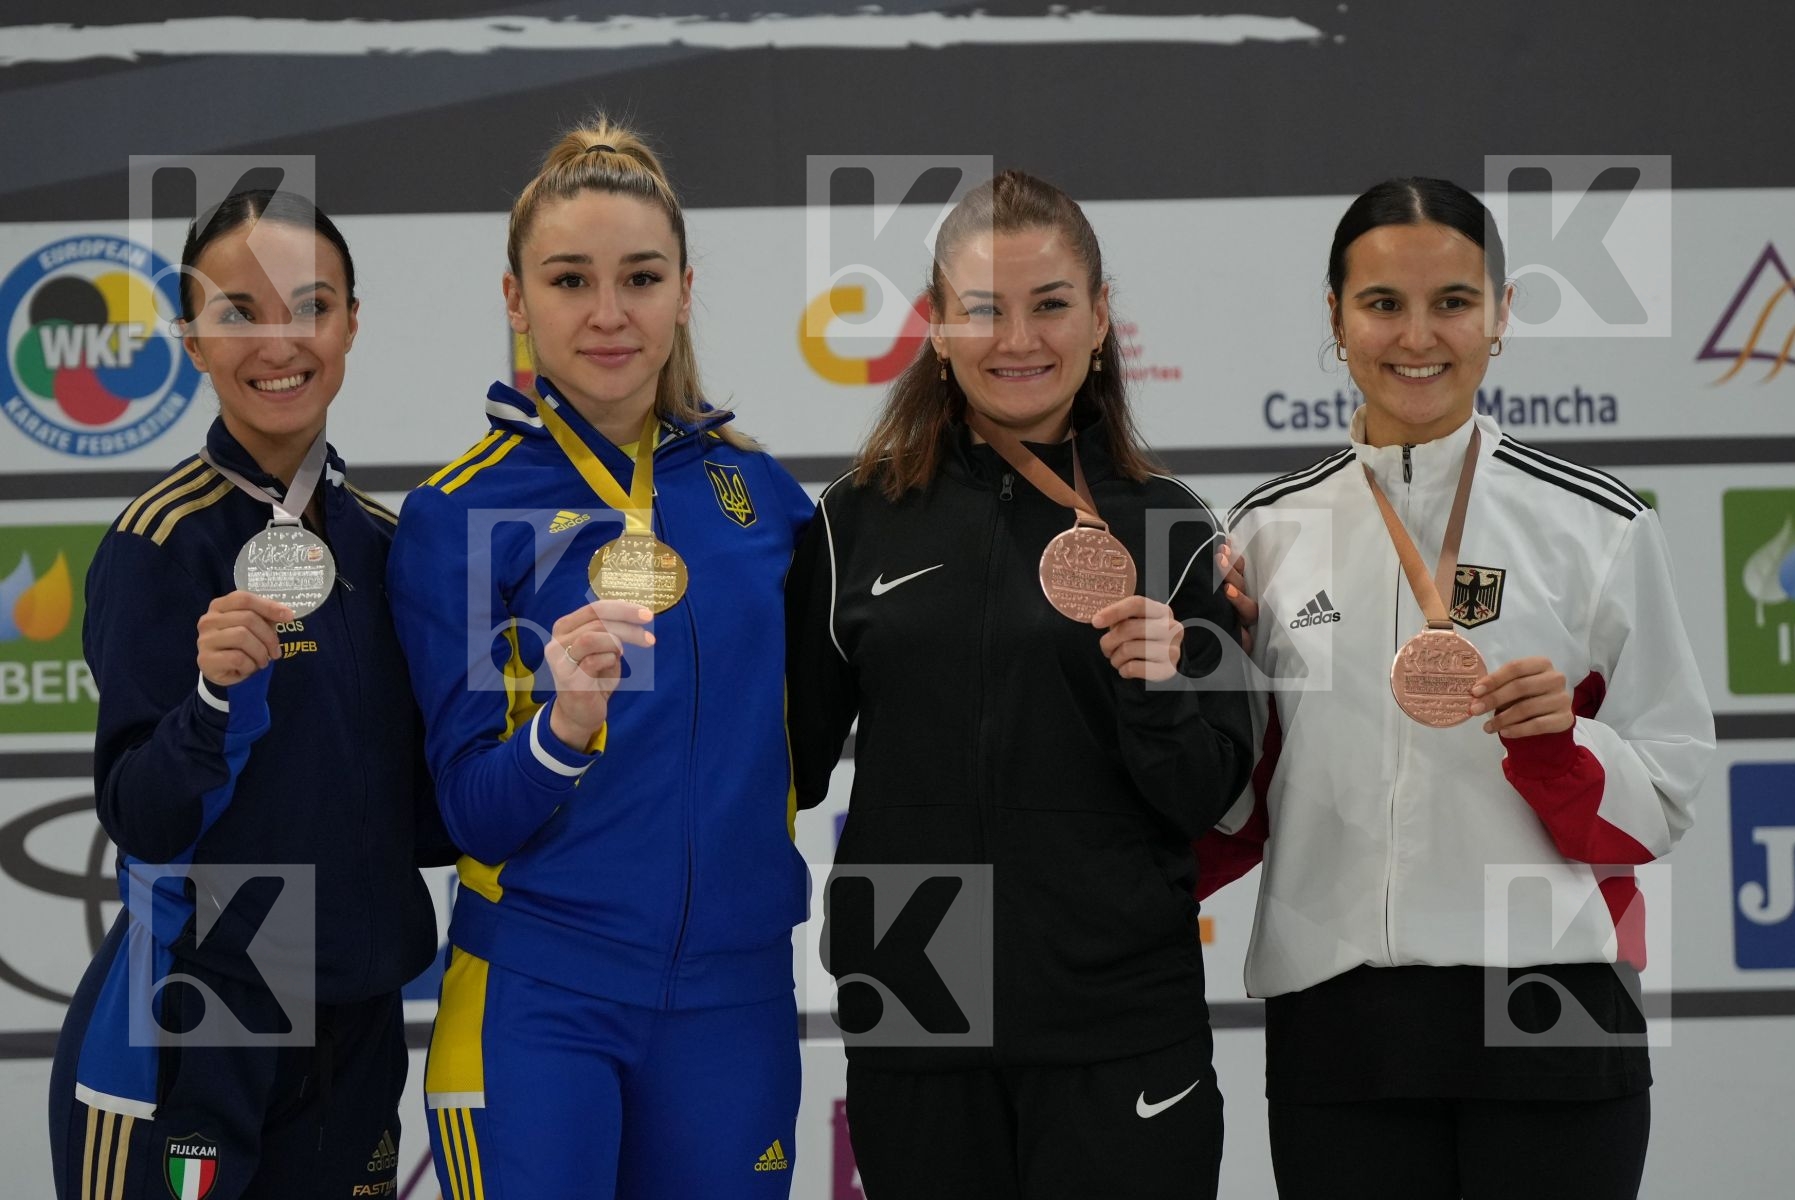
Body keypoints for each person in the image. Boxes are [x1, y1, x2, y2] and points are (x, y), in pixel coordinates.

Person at [1203, 177, 1714, 1199]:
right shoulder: (1261, 535)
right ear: (1336, 317)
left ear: (1503, 313)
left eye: (1454, 302)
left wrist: (1562, 749)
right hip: (1338, 1024)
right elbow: (1231, 801)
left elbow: (1663, 794)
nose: (1417, 336)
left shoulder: (1597, 527)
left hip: (1552, 1009)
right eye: (1383, 303)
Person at [785, 169, 1253, 1200]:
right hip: (917, 996)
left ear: (1098, 321)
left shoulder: (1173, 526)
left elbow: (1214, 796)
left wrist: (1161, 688)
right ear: (939, 329)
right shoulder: (853, 523)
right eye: (984, 309)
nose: (1020, 340)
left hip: (1118, 1014)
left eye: (1050, 305)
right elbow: (785, 766)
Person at [387, 117, 816, 1200]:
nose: (609, 314)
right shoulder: (464, 512)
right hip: (539, 1003)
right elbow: (468, 813)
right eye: (570, 279)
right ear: (515, 299)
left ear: (683, 289)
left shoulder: (763, 500)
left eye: (640, 277)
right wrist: (561, 729)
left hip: (735, 1004)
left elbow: (845, 713)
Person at [48, 189, 444, 1199]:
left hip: (358, 1013)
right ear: (188, 336)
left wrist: (545, 723)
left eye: (310, 306)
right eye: (238, 311)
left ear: (351, 321)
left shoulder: (390, 547)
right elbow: (140, 811)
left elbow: (423, 823)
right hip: (202, 1014)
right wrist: (213, 702)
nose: (279, 342)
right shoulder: (161, 544)